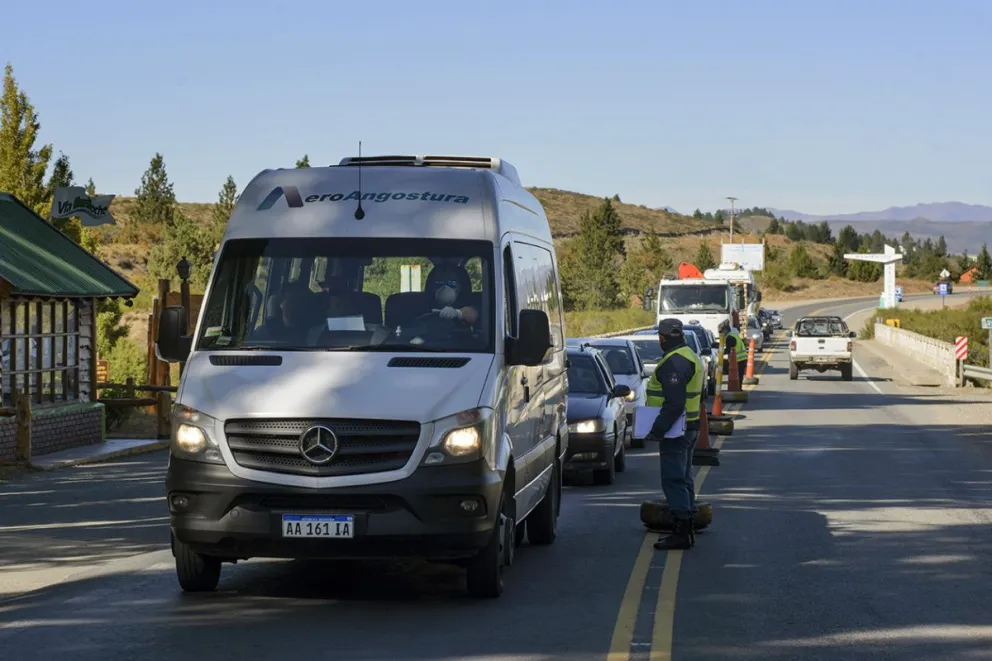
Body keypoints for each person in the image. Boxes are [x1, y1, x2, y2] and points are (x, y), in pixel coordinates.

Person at [644, 318, 704, 551]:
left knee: (673, 480)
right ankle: (687, 529)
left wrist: (657, 430)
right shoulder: (688, 354)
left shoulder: (675, 362)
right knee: (684, 478)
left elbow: (675, 403)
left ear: (663, 338)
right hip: (689, 427)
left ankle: (681, 532)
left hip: (676, 430)